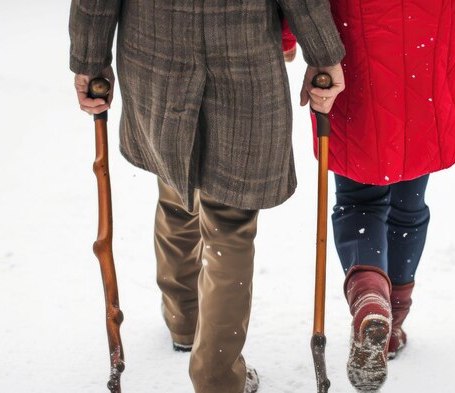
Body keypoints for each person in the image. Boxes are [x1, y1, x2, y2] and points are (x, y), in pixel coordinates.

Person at [69, 2, 345, 393]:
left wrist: (89, 57)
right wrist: (323, 53)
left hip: (155, 47)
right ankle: (216, 379)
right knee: (229, 221)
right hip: (242, 48)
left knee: (175, 181)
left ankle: (184, 318)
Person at [303, 0, 455, 391]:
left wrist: (287, 32)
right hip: (430, 54)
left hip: (353, 52)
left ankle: (371, 300)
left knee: (358, 200)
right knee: (409, 200)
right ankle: (393, 319)